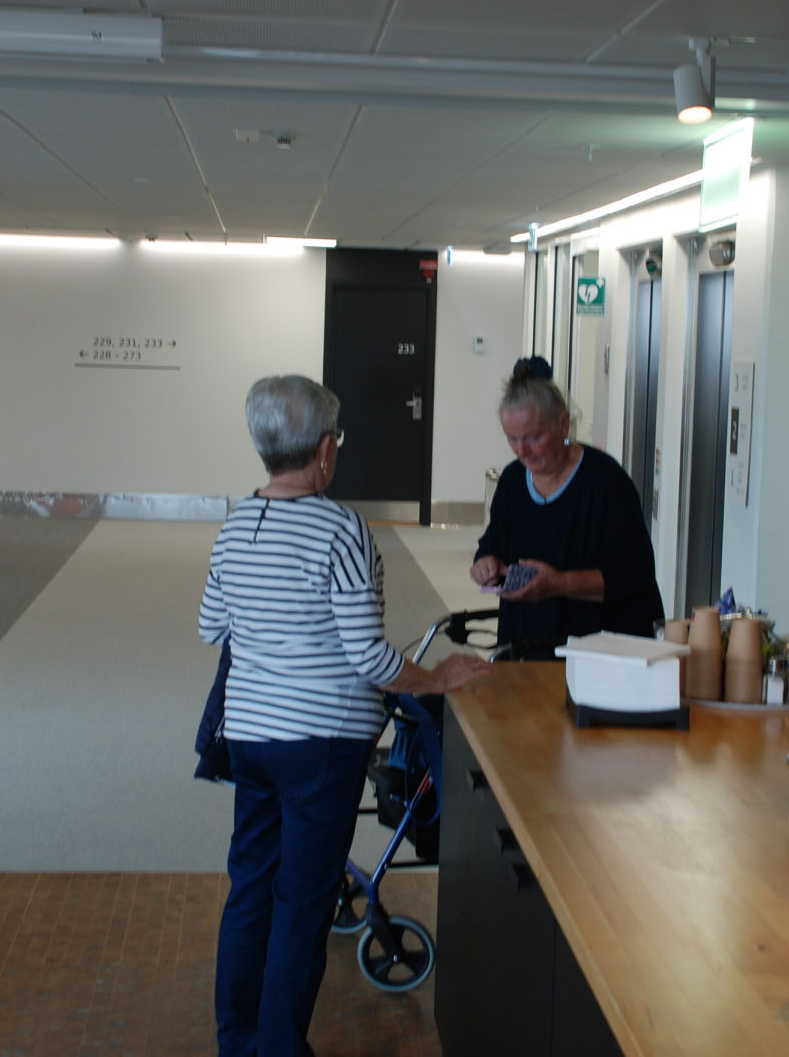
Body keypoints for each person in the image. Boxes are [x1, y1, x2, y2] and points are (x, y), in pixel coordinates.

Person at [199, 374, 489, 1057]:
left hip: (250, 738)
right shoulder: (342, 530)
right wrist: (436, 678)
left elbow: (213, 626)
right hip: (322, 745)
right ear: (325, 448)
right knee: (302, 903)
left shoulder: (235, 522)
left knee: (251, 890)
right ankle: (278, 1048)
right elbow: (369, 657)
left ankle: (237, 1042)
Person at [470, 356, 665, 657]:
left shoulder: (605, 482)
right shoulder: (512, 481)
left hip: (594, 649)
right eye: (512, 439)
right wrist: (486, 563)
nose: (522, 451)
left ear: (563, 424)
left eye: (534, 437)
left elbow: (635, 576)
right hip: (525, 644)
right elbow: (493, 543)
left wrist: (559, 583)